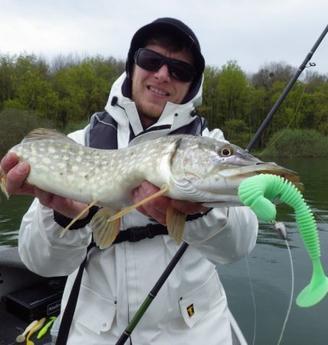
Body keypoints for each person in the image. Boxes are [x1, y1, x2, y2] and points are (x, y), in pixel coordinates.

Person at [0, 18, 258, 344]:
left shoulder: (208, 145)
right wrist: (67, 218)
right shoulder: (79, 144)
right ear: (133, 66)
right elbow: (41, 262)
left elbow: (239, 246)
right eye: (151, 61)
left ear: (191, 85)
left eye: (180, 70)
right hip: (95, 334)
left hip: (192, 333)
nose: (163, 74)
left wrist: (203, 213)